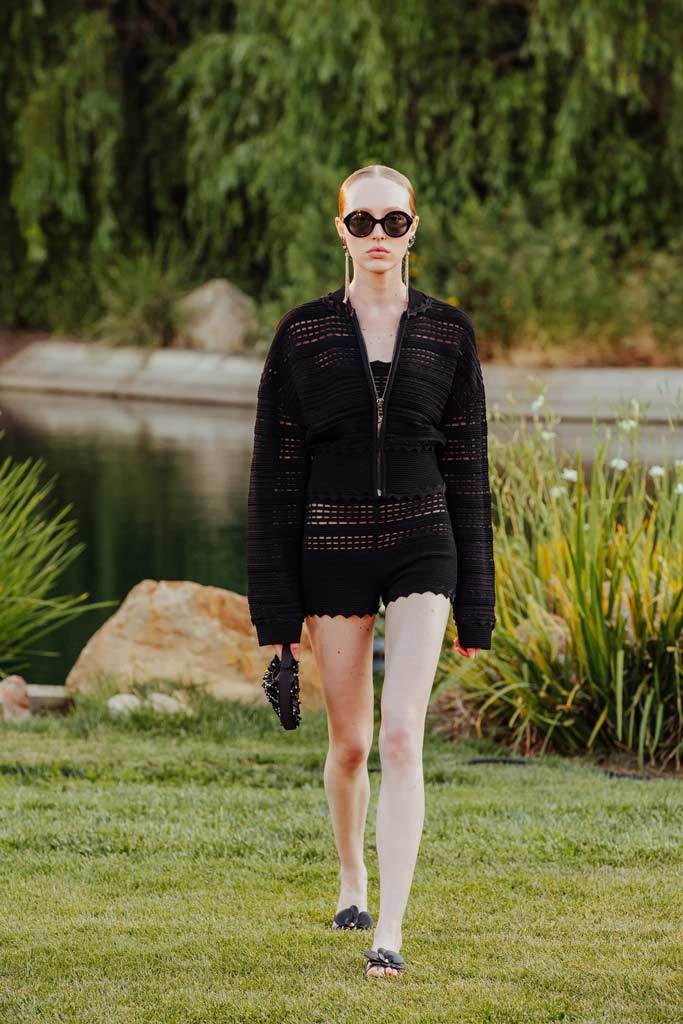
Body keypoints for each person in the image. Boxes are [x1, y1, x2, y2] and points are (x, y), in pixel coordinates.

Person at [247, 164, 496, 978]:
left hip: (424, 538)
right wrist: (275, 618)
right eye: (362, 222)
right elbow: (274, 478)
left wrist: (477, 606)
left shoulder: (448, 332)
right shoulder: (302, 334)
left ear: (413, 229)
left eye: (393, 221)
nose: (378, 235)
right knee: (351, 744)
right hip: (331, 543)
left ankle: (388, 931)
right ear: (340, 231)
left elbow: (468, 470)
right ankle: (352, 879)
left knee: (399, 734)